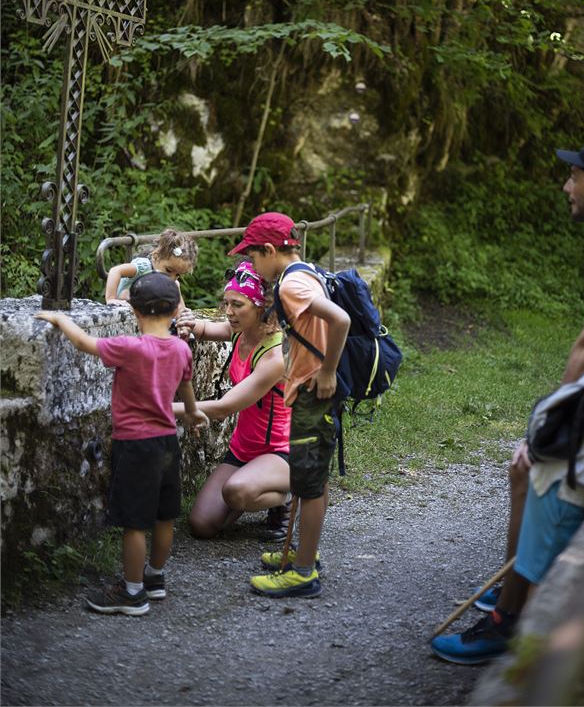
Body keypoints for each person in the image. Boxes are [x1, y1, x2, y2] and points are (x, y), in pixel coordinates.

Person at [431, 133, 584, 664]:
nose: (567, 186)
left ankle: (509, 622)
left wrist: (550, 424)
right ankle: (515, 588)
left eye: (575, 177)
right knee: (527, 469)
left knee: (545, 469)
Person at [36, 273, 209, 616]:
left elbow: (86, 343)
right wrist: (192, 414)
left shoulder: (129, 348)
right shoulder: (180, 348)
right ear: (176, 309)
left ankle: (132, 593)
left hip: (135, 446)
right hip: (166, 443)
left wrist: (59, 318)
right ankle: (155, 579)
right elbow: (186, 388)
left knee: (134, 523)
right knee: (164, 517)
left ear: (134, 311)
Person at [224, 212, 351, 599]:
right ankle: (303, 552)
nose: (254, 266)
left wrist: (327, 371)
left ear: (268, 249)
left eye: (254, 256)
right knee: (314, 479)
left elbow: (340, 319)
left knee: (309, 485)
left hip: (314, 390)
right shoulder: (307, 272)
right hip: (316, 390)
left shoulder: (291, 284)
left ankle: (302, 573)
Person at [174, 260, 292, 538]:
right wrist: (188, 324)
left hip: (283, 451)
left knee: (237, 492)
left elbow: (224, 407)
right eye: (226, 303)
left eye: (237, 305)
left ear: (261, 307)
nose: (228, 312)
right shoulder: (240, 330)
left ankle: (288, 496)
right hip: (244, 449)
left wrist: (160, 409)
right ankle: (252, 484)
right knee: (202, 525)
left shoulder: (275, 356)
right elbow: (204, 329)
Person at [105, 228, 198, 309]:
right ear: (156, 256)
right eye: (168, 270)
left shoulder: (170, 280)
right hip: (124, 303)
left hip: (147, 309)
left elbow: (179, 305)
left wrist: (183, 313)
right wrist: (111, 298)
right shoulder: (143, 267)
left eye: (177, 275)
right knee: (125, 294)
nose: (172, 277)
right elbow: (115, 271)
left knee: (175, 285)